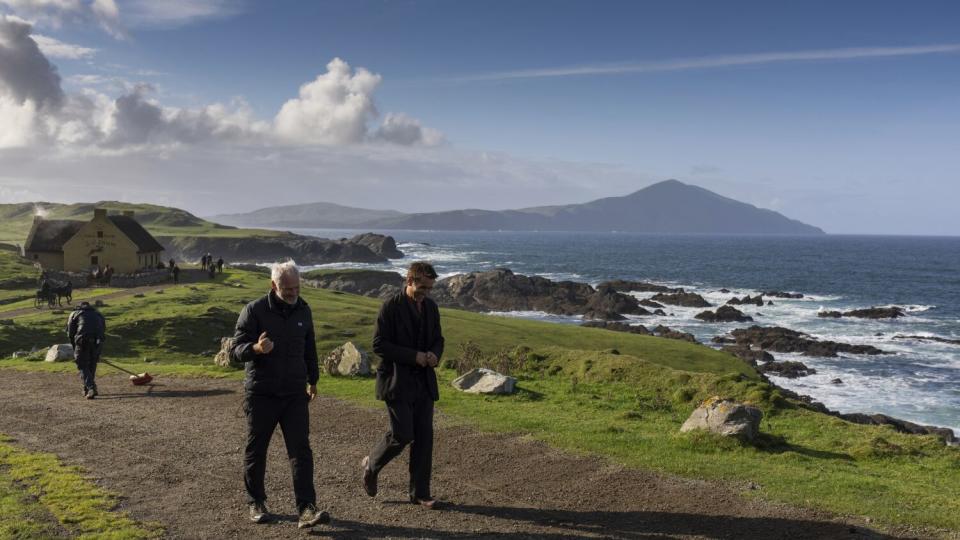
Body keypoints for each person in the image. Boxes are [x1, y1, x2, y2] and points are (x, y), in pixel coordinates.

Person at [229, 261, 329, 529]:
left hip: (295, 393)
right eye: (287, 288)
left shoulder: (304, 310)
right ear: (273, 286)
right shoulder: (254, 311)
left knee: (301, 451)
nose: (293, 293)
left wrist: (314, 380)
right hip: (261, 393)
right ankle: (256, 502)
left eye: (297, 287)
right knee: (256, 449)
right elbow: (235, 351)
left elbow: (310, 347)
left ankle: (307, 509)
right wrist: (256, 349)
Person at [361, 261, 444, 509]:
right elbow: (379, 345)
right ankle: (371, 464)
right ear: (409, 281)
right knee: (403, 434)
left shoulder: (431, 307)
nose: (426, 293)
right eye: (422, 287)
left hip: (423, 381)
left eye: (430, 289)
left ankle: (420, 492)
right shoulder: (390, 307)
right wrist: (413, 356)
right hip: (396, 381)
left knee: (424, 437)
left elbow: (438, 339)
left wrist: (433, 355)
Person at [67, 301, 106, 400]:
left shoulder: (75, 313)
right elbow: (103, 329)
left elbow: (70, 333)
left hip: (82, 341)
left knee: (82, 364)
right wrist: (99, 346)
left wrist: (74, 347)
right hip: (97, 341)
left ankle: (91, 388)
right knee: (92, 364)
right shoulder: (98, 314)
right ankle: (88, 388)